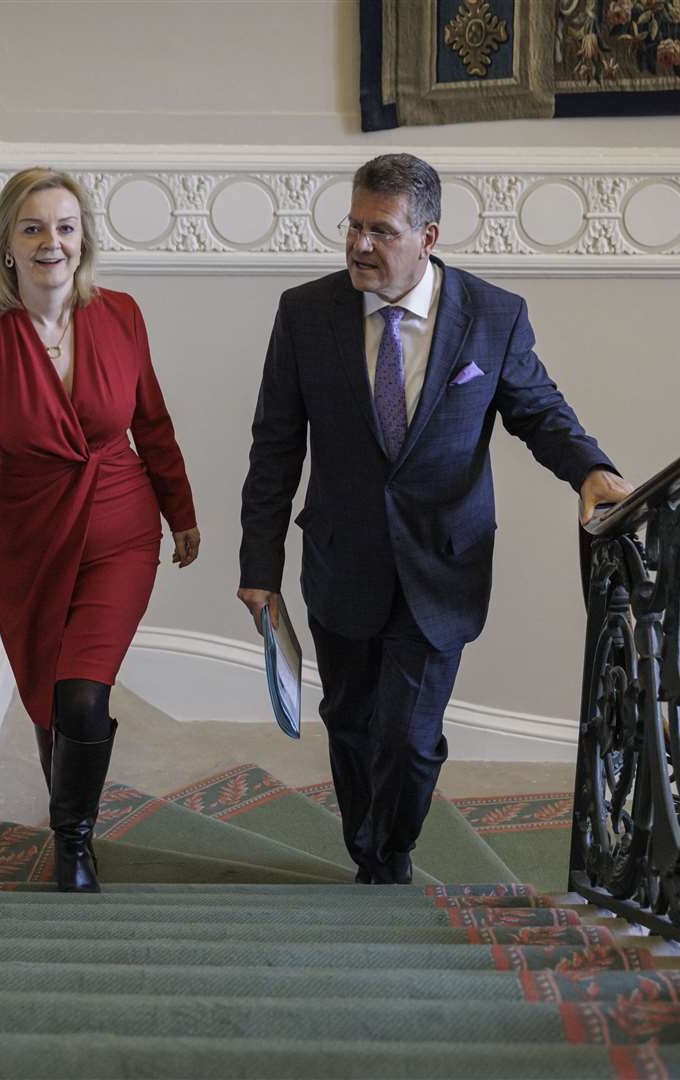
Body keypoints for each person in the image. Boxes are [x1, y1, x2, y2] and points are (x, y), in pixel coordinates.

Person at [237, 153, 631, 885]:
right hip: (341, 558)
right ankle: (367, 847)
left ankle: (390, 856)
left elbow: (537, 411)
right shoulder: (304, 313)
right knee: (351, 723)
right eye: (352, 226)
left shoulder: (492, 315)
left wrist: (589, 468)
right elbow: (275, 445)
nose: (359, 245)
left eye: (379, 231)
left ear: (427, 235)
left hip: (439, 565)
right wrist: (258, 566)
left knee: (410, 738)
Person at [0, 167, 200, 892]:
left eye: (63, 227)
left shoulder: (120, 314)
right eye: (32, 228)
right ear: (8, 247)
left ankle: (73, 842)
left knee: (82, 695)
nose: (49, 242)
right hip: (26, 539)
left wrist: (179, 511)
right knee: (49, 695)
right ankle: (72, 810)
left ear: (82, 241)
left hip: (120, 530)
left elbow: (150, 419)